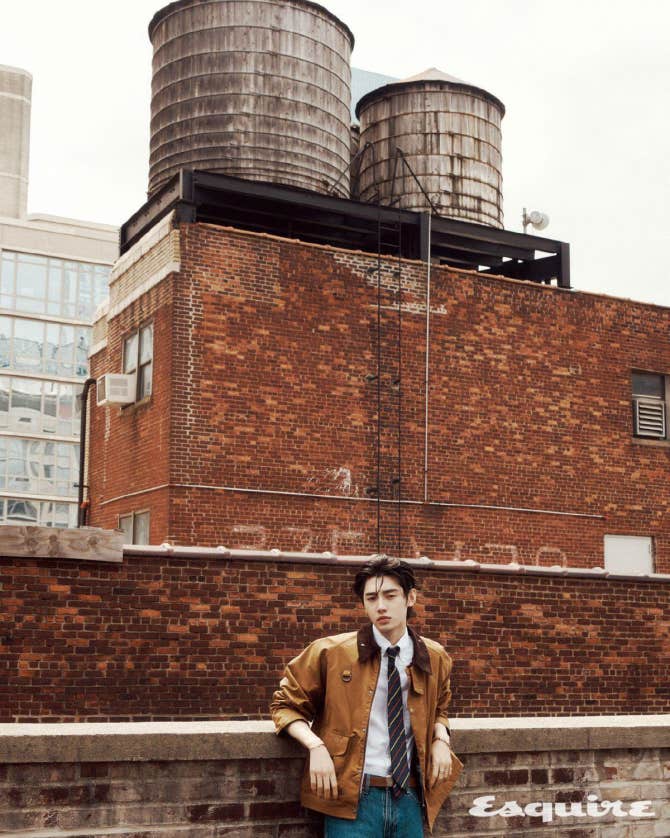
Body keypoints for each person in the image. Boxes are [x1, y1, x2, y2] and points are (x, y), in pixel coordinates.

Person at [270, 556, 462, 836]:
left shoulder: (434, 656)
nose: (380, 606)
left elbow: (440, 707)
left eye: (390, 595)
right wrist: (315, 746)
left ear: (410, 598)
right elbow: (284, 705)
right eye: (371, 598)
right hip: (352, 799)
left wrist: (441, 739)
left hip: (410, 797)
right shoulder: (331, 653)